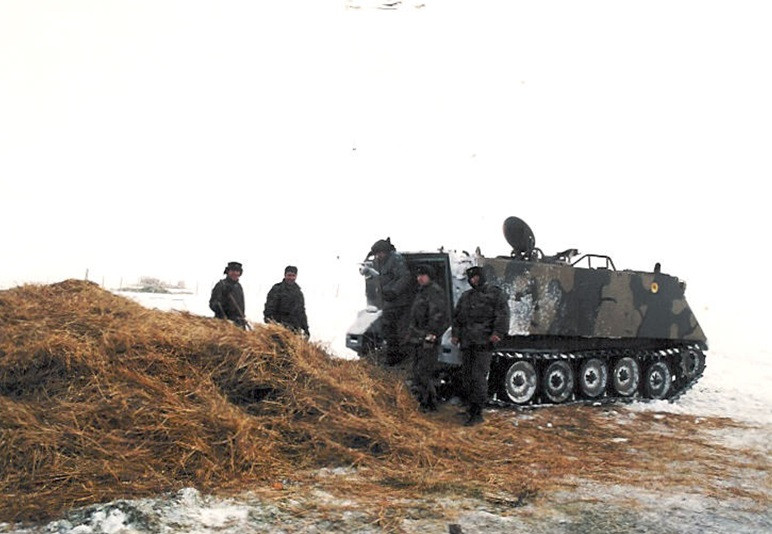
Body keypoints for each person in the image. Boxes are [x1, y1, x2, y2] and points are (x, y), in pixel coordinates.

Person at [451, 265, 510, 426]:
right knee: (467, 377)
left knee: (478, 378)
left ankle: (477, 414)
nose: (473, 280)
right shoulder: (466, 296)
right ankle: (469, 408)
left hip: (484, 343)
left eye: (476, 276)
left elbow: (503, 314)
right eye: (471, 278)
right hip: (467, 342)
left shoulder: (495, 294)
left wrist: (498, 333)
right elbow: (457, 318)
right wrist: (455, 334)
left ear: (482, 276)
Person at [405, 264, 449, 412]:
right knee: (417, 371)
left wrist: (431, 334)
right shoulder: (422, 292)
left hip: (428, 338)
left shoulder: (434, 292)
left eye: (423, 275)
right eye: (418, 275)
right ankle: (423, 402)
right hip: (418, 337)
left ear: (429, 276)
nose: (419, 278)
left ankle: (429, 404)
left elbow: (438, 316)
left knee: (424, 371)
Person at [370, 238, 412, 365]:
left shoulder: (396, 259)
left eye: (380, 253)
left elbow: (405, 277)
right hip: (387, 303)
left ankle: (400, 357)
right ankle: (392, 357)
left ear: (386, 252)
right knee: (388, 331)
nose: (378, 256)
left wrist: (394, 291)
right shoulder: (379, 262)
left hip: (400, 302)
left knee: (400, 331)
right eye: (376, 254)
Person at [264, 265, 309, 336]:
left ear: (296, 276)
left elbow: (301, 312)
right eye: (289, 275)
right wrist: (272, 323)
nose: (291, 278)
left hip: (294, 329)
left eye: (293, 275)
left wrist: (306, 328)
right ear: (285, 275)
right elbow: (269, 308)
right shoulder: (277, 289)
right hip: (279, 328)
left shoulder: (298, 293)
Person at [209, 261, 247, 329]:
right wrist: (223, 301)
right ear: (228, 272)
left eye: (237, 271)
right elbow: (213, 304)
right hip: (223, 324)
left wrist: (242, 318)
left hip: (237, 324)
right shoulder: (221, 285)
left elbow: (241, 306)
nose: (235, 273)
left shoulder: (238, 286)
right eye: (232, 271)